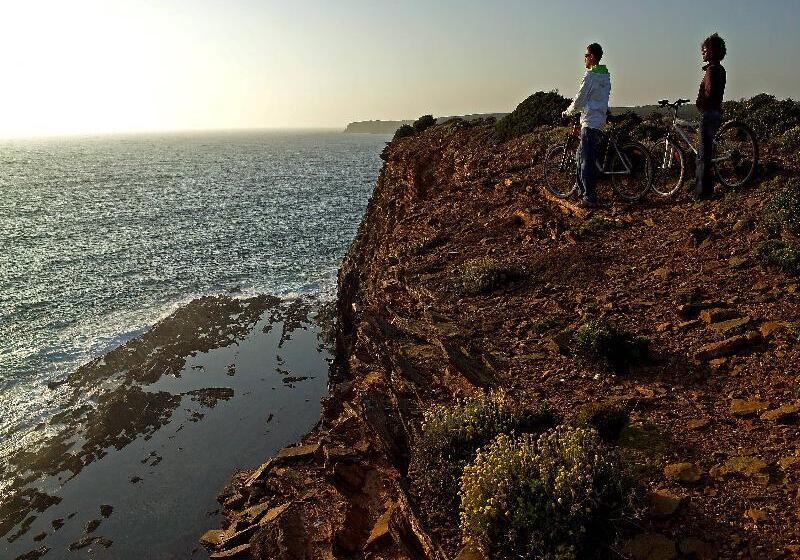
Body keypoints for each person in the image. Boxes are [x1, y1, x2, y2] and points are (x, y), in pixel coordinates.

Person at [562, 42, 611, 208]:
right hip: (599, 120)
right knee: (580, 156)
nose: (584, 58)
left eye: (586, 55)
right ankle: (582, 192)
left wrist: (567, 112)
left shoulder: (590, 76)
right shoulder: (605, 75)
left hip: (589, 121)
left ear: (592, 57)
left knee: (586, 161)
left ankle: (589, 197)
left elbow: (580, 98)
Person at [694, 33, 727, 200]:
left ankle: (702, 194)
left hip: (709, 114)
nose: (702, 52)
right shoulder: (719, 69)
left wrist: (702, 103)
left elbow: (710, 93)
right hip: (715, 113)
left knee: (703, 156)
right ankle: (706, 191)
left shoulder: (712, 70)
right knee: (706, 154)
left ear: (712, 51)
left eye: (705, 50)